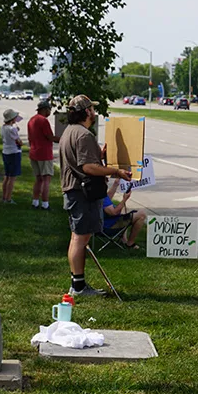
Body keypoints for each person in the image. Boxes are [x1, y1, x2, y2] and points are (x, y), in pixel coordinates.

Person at [60, 95, 131, 296]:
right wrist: (115, 172)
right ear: (87, 112)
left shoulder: (70, 132)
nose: (94, 111)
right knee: (80, 239)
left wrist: (99, 155)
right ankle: (78, 287)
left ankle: (77, 283)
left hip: (75, 191)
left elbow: (83, 160)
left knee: (77, 237)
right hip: (82, 193)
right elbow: (88, 167)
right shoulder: (84, 135)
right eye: (92, 108)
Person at [28, 100, 60, 210]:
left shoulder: (31, 120)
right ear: (45, 109)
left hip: (34, 152)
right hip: (44, 153)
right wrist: (63, 139)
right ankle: (45, 204)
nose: (49, 112)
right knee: (46, 179)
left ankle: (35, 202)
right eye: (49, 110)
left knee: (38, 179)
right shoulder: (43, 121)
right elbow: (50, 137)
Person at [102, 178, 147, 249]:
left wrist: (115, 184)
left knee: (123, 208)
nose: (107, 180)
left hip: (100, 223)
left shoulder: (96, 193)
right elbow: (114, 212)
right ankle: (130, 243)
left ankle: (124, 238)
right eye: (105, 178)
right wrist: (125, 199)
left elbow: (107, 198)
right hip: (108, 226)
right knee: (142, 214)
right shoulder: (100, 196)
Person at [1, 108, 24, 204]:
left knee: (7, 176)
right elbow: (19, 142)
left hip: (5, 151)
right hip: (14, 153)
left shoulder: (3, 128)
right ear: (12, 119)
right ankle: (8, 198)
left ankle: (4, 197)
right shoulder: (12, 129)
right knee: (12, 177)